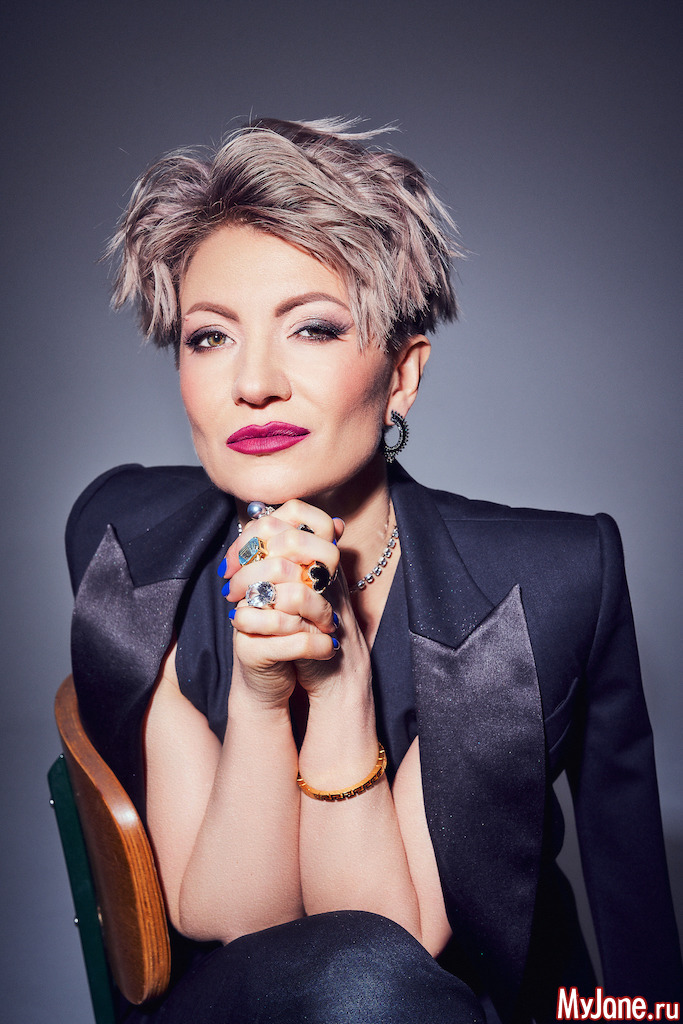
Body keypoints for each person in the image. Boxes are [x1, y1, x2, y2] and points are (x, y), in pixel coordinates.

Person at [66, 118, 682, 1024]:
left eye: (312, 328)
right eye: (209, 337)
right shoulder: (130, 543)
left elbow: (391, 943)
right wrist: (261, 700)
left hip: (454, 1002)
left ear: (401, 376)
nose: (254, 383)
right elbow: (232, 916)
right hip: (234, 1000)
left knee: (366, 981)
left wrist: (341, 686)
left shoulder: (540, 583)